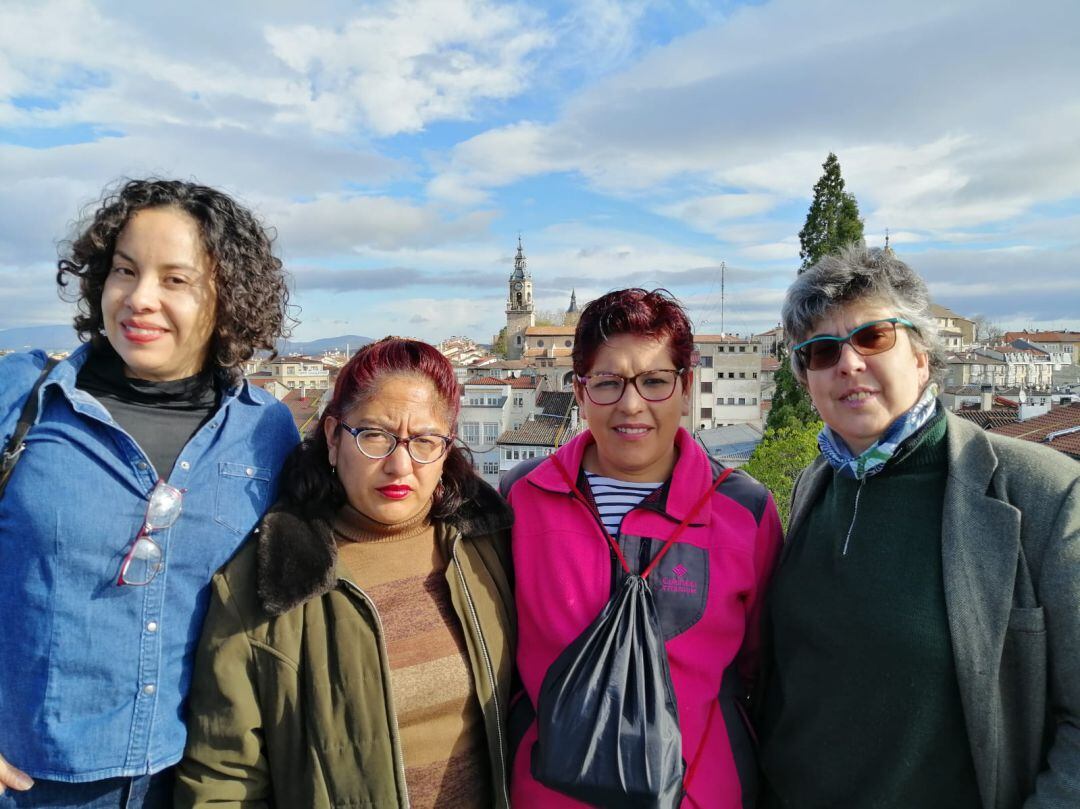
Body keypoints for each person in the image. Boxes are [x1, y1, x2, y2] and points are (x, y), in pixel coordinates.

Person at [0, 179, 298, 808]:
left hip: (191, 782)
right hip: (28, 782)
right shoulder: (22, 396)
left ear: (227, 299)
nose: (139, 299)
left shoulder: (263, 430)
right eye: (125, 271)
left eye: (175, 280)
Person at [758, 245, 1080, 809]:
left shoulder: (1043, 493)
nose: (849, 363)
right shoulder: (814, 484)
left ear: (922, 357)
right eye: (822, 351)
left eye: (873, 337)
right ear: (807, 380)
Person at [175, 337, 515, 808]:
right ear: (334, 438)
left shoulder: (487, 545)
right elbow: (223, 778)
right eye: (374, 436)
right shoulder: (270, 580)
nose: (400, 465)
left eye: (424, 441)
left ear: (446, 450)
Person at [502, 288, 784, 808]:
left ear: (686, 386)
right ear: (581, 391)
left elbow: (761, 669)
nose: (632, 405)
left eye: (654, 381)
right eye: (609, 383)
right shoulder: (522, 498)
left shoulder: (744, 512)